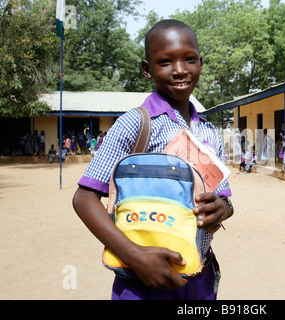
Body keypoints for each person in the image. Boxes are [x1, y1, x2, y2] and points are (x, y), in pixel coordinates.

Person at [72, 19, 233, 300]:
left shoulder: (207, 131)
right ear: (147, 70)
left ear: (201, 63)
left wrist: (224, 208)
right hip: (143, 280)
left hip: (199, 275)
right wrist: (134, 256)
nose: (181, 70)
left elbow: (222, 198)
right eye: (165, 62)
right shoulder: (135, 124)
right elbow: (84, 198)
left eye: (190, 59)